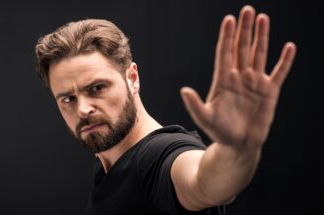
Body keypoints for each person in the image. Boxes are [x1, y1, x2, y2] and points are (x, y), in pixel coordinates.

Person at [35, 5, 296, 215]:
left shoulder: (156, 157)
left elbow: (204, 183)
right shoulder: (108, 162)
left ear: (133, 78)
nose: (83, 109)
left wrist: (237, 150)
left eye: (97, 88)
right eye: (68, 99)